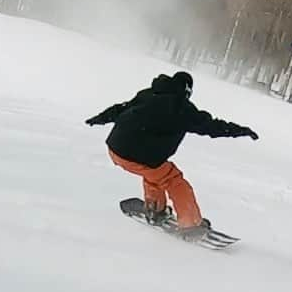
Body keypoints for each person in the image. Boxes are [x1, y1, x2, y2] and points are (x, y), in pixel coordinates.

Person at [85, 70, 258, 237]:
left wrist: (99, 119)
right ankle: (191, 224)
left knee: (156, 171)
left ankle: (155, 209)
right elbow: (212, 127)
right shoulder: (181, 108)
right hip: (137, 154)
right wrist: (241, 130)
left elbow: (120, 109)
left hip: (115, 148)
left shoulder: (148, 94)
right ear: (187, 91)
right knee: (174, 180)